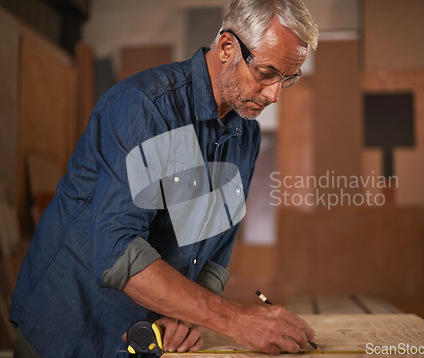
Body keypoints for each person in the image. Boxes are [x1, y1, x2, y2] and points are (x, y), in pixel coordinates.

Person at [10, 0, 319, 356]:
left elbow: (215, 250)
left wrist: (184, 317)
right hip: (69, 329)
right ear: (227, 48)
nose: (275, 94)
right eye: (267, 73)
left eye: (288, 78)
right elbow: (117, 251)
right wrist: (234, 320)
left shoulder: (244, 135)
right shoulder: (148, 108)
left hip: (142, 340)